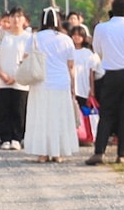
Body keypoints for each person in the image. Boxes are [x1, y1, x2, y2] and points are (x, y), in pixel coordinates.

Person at [89, 0, 124, 165]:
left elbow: (97, 50)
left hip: (110, 74)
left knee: (106, 114)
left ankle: (99, 152)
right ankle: (121, 154)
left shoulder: (101, 28)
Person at [24, 9, 81, 162]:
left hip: (40, 82)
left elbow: (25, 58)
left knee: (41, 117)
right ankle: (58, 153)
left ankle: (42, 153)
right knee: (59, 117)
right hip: (61, 82)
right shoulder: (66, 39)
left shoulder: (34, 38)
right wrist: (73, 88)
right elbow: (70, 65)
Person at [0, 8, 32, 151]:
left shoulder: (28, 37)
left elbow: (29, 58)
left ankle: (17, 137)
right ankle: (5, 137)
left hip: (20, 80)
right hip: (3, 79)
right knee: (3, 109)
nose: (16, 20)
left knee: (19, 109)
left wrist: (17, 76)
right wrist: (1, 74)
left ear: (24, 20)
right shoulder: (0, 36)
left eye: (19, 17)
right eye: (13, 17)